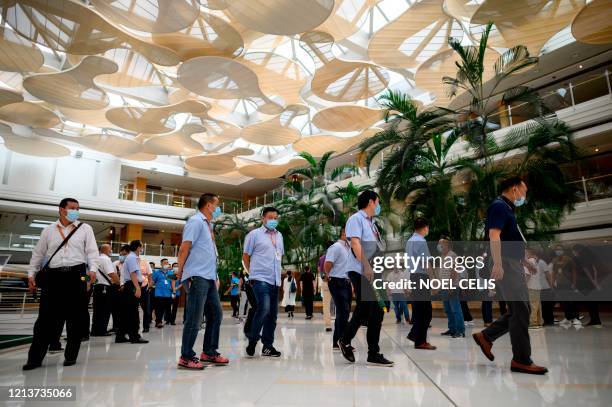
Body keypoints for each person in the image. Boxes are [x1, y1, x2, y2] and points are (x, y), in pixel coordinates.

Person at [472, 177, 548, 374]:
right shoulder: (499, 206)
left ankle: (487, 336)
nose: (525, 195)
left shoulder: (507, 208)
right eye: (524, 190)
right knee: (521, 308)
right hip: (504, 261)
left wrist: (524, 263)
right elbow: (494, 235)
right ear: (515, 189)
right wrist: (498, 263)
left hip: (511, 261)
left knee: (518, 308)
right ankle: (521, 359)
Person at [23, 198, 99, 370]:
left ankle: (71, 355)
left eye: (78, 208)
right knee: (45, 319)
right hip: (53, 275)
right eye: (72, 208)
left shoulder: (85, 229)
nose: (76, 211)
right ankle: (34, 359)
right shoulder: (48, 230)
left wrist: (92, 270)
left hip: (77, 275)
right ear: (61, 210)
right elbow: (38, 254)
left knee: (76, 317)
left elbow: (92, 252)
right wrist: (31, 274)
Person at [337, 190, 393, 367]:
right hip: (359, 269)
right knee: (367, 306)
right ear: (371, 202)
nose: (378, 205)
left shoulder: (372, 224)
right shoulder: (356, 219)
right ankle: (350, 342)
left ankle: (369, 351)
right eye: (377, 202)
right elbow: (355, 243)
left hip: (373, 271)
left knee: (376, 309)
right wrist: (366, 266)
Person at [177, 193, 228, 369]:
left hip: (209, 277)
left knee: (216, 314)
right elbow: (185, 248)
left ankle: (209, 351)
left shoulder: (208, 225)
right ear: (208, 205)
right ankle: (186, 356)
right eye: (217, 205)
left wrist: (216, 277)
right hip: (197, 276)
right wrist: (180, 272)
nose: (218, 209)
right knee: (194, 318)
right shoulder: (196, 222)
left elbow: (209, 254)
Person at [243, 206, 284, 358]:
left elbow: (279, 256)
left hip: (275, 280)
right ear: (263, 218)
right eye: (270, 217)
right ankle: (253, 339)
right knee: (263, 309)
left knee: (272, 315)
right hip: (260, 279)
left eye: (276, 218)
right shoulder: (254, 235)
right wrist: (252, 273)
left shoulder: (279, 236)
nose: (273, 220)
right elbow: (245, 257)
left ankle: (268, 346)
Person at [405, 218, 436, 350]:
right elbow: (425, 263)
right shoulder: (421, 241)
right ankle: (420, 341)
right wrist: (433, 279)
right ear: (425, 227)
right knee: (426, 311)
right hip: (422, 277)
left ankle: (414, 334)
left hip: (414, 276)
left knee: (418, 310)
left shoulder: (410, 241)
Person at [116, 240, 149, 345]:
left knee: (126, 312)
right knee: (133, 313)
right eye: (141, 247)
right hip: (132, 285)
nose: (142, 249)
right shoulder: (132, 257)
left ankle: (120, 336)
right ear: (138, 247)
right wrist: (137, 288)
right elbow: (133, 273)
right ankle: (135, 337)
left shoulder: (131, 257)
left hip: (130, 285)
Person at [326, 227, 353, 351]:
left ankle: (338, 341)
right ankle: (341, 340)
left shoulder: (348, 248)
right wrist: (328, 276)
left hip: (346, 282)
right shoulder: (336, 247)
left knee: (344, 313)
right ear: (344, 233)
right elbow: (328, 263)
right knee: (344, 311)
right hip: (337, 281)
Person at [437, 237, 465, 338]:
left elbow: (454, 270)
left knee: (455, 308)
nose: (439, 246)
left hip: (451, 286)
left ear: (447, 245)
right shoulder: (442, 257)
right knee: (448, 309)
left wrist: (449, 284)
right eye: (439, 244)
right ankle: (452, 329)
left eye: (441, 244)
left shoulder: (452, 255)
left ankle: (460, 330)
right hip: (444, 286)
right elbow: (442, 272)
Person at [91, 244, 120, 336]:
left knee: (97, 310)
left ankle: (95, 330)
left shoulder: (96, 259)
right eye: (110, 249)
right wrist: (119, 283)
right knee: (105, 310)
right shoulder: (106, 260)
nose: (111, 251)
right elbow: (111, 273)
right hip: (105, 288)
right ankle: (101, 330)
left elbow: (90, 276)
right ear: (106, 250)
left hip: (96, 287)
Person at [571, 245, 603, 328]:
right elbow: (594, 270)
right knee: (592, 303)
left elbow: (581, 272)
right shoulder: (587, 258)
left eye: (574, 251)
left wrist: (574, 284)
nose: (573, 253)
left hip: (584, 284)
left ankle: (595, 320)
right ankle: (596, 320)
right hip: (589, 284)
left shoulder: (578, 259)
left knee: (589, 303)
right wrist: (595, 282)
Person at [551, 245, 579, 325]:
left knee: (571, 301)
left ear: (563, 250)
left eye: (560, 249)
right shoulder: (554, 260)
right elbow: (554, 272)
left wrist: (574, 283)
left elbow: (574, 272)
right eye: (557, 250)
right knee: (563, 302)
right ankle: (568, 318)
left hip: (569, 284)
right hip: (560, 284)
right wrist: (552, 283)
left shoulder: (569, 259)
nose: (558, 251)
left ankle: (576, 318)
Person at [524, 248, 549, 329]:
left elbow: (527, 275)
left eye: (525, 252)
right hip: (537, 286)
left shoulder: (529, 262)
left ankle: (533, 323)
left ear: (529, 253)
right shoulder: (536, 261)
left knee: (532, 305)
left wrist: (523, 285)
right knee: (537, 305)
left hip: (531, 286)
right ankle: (539, 321)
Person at [110, 245, 130, 332]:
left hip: (126, 287)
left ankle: (124, 327)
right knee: (115, 309)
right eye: (120, 254)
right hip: (115, 287)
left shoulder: (129, 264)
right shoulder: (114, 263)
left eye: (124, 254)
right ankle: (115, 326)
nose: (121, 256)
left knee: (124, 309)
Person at [318, 243, 334, 331]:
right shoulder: (336, 256)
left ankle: (328, 325)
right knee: (340, 305)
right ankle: (341, 324)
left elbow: (320, 271)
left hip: (325, 283)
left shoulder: (322, 258)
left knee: (326, 305)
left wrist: (324, 277)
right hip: (336, 282)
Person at [152, 263, 173, 328]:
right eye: (165, 263)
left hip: (168, 294)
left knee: (167, 309)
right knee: (159, 309)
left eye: (167, 263)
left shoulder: (170, 273)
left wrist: (174, 291)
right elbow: (153, 281)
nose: (166, 264)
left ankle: (167, 320)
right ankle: (158, 322)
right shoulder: (156, 272)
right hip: (159, 293)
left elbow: (173, 282)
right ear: (161, 264)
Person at [139, 258, 153, 333]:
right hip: (133, 287)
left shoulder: (144, 262)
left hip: (144, 287)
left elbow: (150, 274)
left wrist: (149, 285)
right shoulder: (128, 261)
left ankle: (146, 326)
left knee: (146, 308)